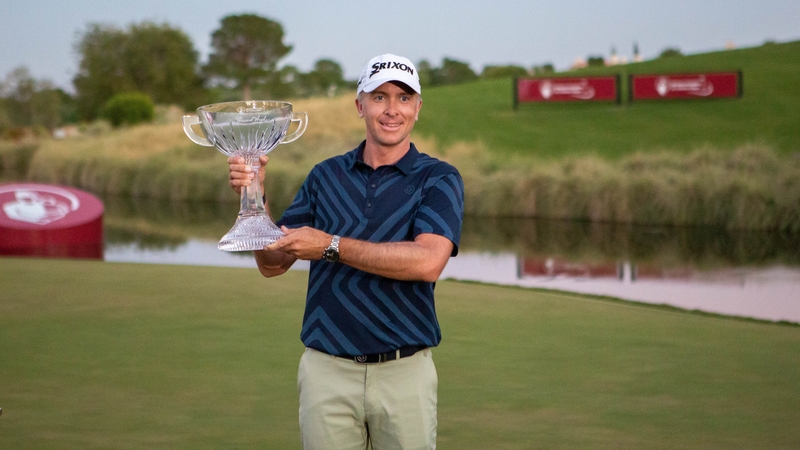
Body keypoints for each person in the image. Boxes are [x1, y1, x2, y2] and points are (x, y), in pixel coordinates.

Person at [228, 53, 464, 450]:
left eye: (404, 98)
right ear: (360, 105)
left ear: (418, 108)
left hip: (404, 372)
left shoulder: (438, 178)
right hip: (327, 372)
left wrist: (330, 246)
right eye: (379, 97)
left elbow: (427, 262)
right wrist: (254, 193)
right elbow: (272, 263)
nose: (392, 110)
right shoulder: (325, 176)